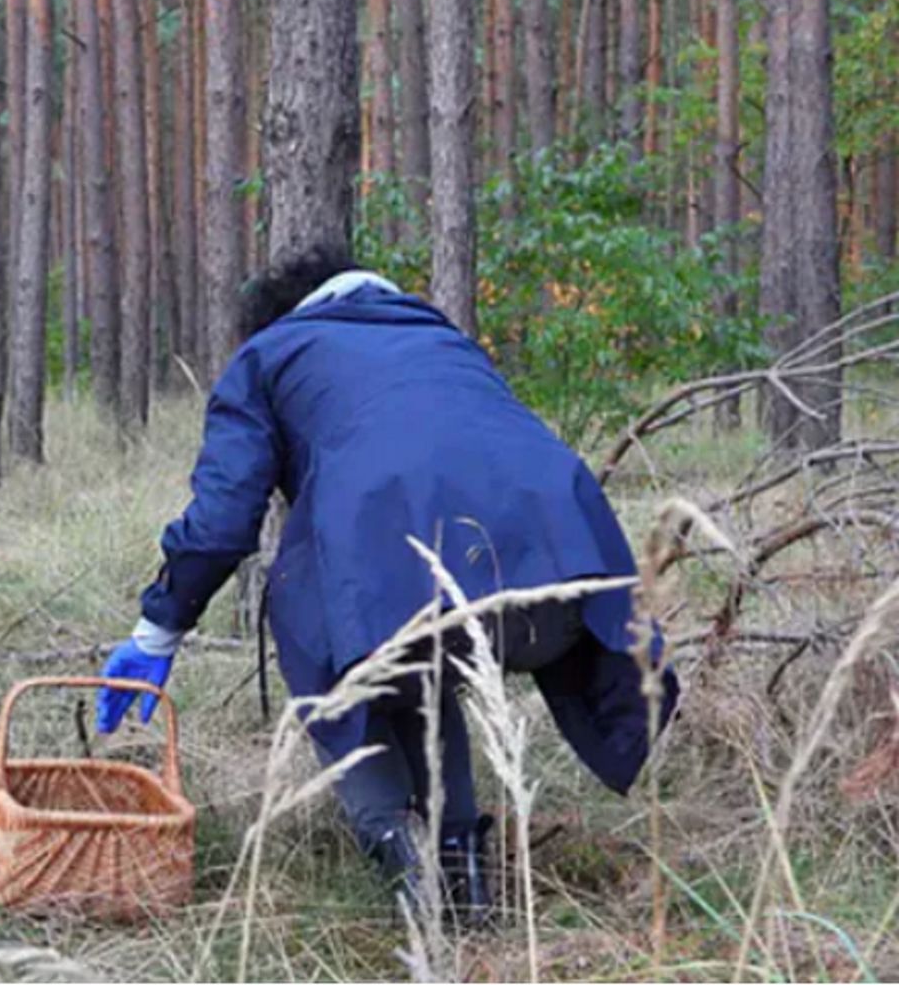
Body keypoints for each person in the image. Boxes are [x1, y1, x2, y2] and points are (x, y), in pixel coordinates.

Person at [94, 247, 679, 924]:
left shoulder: (268, 355)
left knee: (343, 644)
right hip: (564, 586)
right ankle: (469, 890)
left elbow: (225, 520)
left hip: (413, 590)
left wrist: (159, 627)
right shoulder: (446, 342)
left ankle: (409, 872)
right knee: (425, 666)